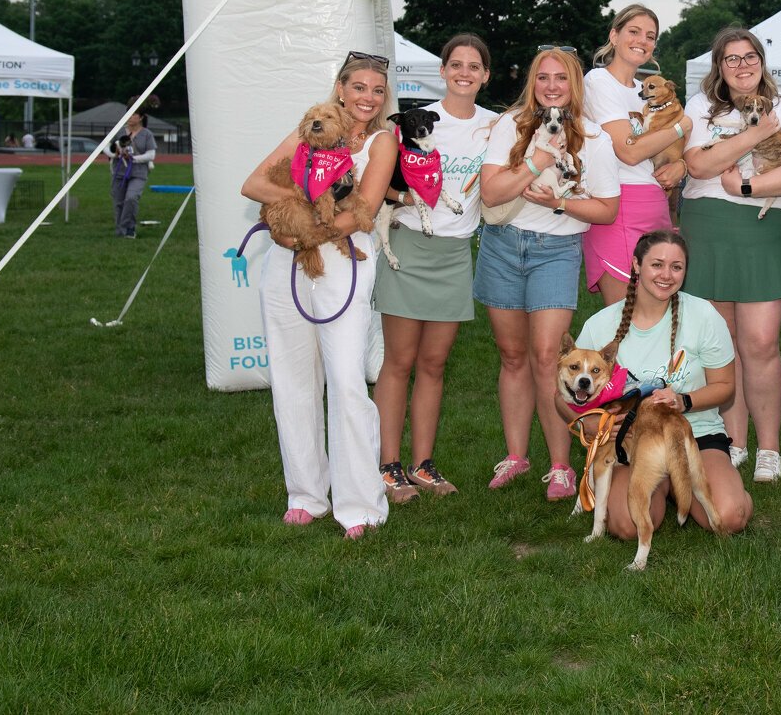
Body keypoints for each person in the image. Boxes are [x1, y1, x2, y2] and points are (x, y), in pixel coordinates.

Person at [240, 51, 398, 540]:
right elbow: (253, 184)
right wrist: (296, 210)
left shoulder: (382, 141)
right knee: (291, 379)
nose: (367, 97)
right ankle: (305, 495)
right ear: (341, 89)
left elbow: (365, 205)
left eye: (377, 90)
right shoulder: (308, 128)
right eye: (358, 87)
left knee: (347, 381)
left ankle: (360, 505)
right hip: (285, 264)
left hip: (343, 261)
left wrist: (308, 232)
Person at [478, 47, 620, 500]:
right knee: (512, 355)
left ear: (574, 83)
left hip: (555, 251)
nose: (552, 85)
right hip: (503, 246)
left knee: (547, 357)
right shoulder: (511, 124)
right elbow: (491, 192)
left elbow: (607, 209)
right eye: (543, 77)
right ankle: (516, 456)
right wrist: (537, 162)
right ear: (532, 83)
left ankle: (561, 466)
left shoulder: (594, 137)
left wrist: (558, 202)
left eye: (561, 77)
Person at [681, 28, 781, 481]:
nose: (742, 66)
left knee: (759, 342)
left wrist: (745, 186)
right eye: (732, 59)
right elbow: (698, 165)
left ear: (762, 60)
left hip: (765, 227)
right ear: (719, 67)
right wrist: (754, 135)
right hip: (709, 227)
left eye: (749, 57)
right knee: (722, 344)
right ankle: (734, 442)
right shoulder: (701, 107)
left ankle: (769, 449)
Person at [371, 34, 496, 503]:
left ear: (485, 75)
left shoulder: (495, 125)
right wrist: (405, 198)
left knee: (434, 364)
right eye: (456, 64)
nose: (464, 73)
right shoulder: (412, 121)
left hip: (454, 254)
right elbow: (376, 183)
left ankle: (422, 465)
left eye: (474, 66)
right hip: (409, 248)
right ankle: (388, 466)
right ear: (442, 71)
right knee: (399, 362)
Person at [571, 230, 752, 539]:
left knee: (729, 517)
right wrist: (586, 423)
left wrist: (683, 401)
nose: (666, 275)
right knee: (627, 526)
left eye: (676, 267)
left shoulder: (703, 315)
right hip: (632, 442)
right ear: (636, 265)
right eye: (657, 264)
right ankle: (664, 488)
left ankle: (708, 483)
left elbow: (725, 385)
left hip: (694, 435)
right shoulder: (600, 325)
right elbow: (561, 395)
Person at [582, 5, 687, 305]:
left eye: (650, 36)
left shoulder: (646, 89)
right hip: (617, 205)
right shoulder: (599, 81)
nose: (643, 40)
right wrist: (681, 127)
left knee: (657, 314)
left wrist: (680, 165)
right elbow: (628, 152)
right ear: (614, 36)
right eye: (634, 31)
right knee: (625, 315)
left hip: (656, 204)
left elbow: (665, 148)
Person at [108, 106, 157, 238]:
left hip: (138, 173)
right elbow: (106, 147)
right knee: (119, 202)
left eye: (134, 114)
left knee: (131, 198)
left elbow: (151, 154)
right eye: (129, 114)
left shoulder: (147, 134)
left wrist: (133, 158)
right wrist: (116, 153)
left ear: (141, 117)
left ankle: (129, 227)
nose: (130, 117)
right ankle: (120, 231)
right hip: (119, 172)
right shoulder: (118, 131)